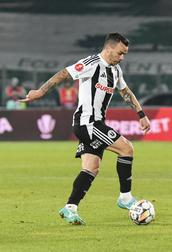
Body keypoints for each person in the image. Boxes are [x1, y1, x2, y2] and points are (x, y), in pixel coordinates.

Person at [20, 32, 151, 226]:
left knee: (91, 168)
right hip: (87, 123)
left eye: (125, 54)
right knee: (127, 148)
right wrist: (40, 91)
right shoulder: (92, 63)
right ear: (108, 48)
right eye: (120, 53)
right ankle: (125, 197)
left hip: (93, 124)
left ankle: (70, 208)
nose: (122, 57)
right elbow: (65, 73)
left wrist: (141, 114)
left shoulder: (115, 71)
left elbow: (125, 91)